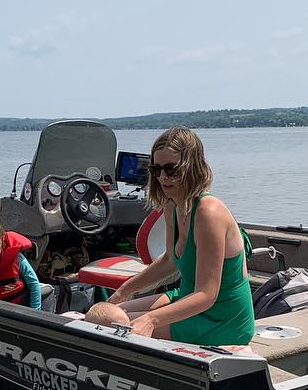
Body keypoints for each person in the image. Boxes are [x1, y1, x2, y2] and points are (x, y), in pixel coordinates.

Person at [105, 126, 255, 345]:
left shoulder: (208, 212)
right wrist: (124, 291)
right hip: (186, 298)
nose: (163, 177)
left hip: (221, 319)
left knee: (113, 327)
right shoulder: (172, 206)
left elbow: (206, 294)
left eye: (171, 169)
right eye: (156, 170)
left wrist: (151, 319)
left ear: (192, 168)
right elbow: (169, 262)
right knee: (106, 314)